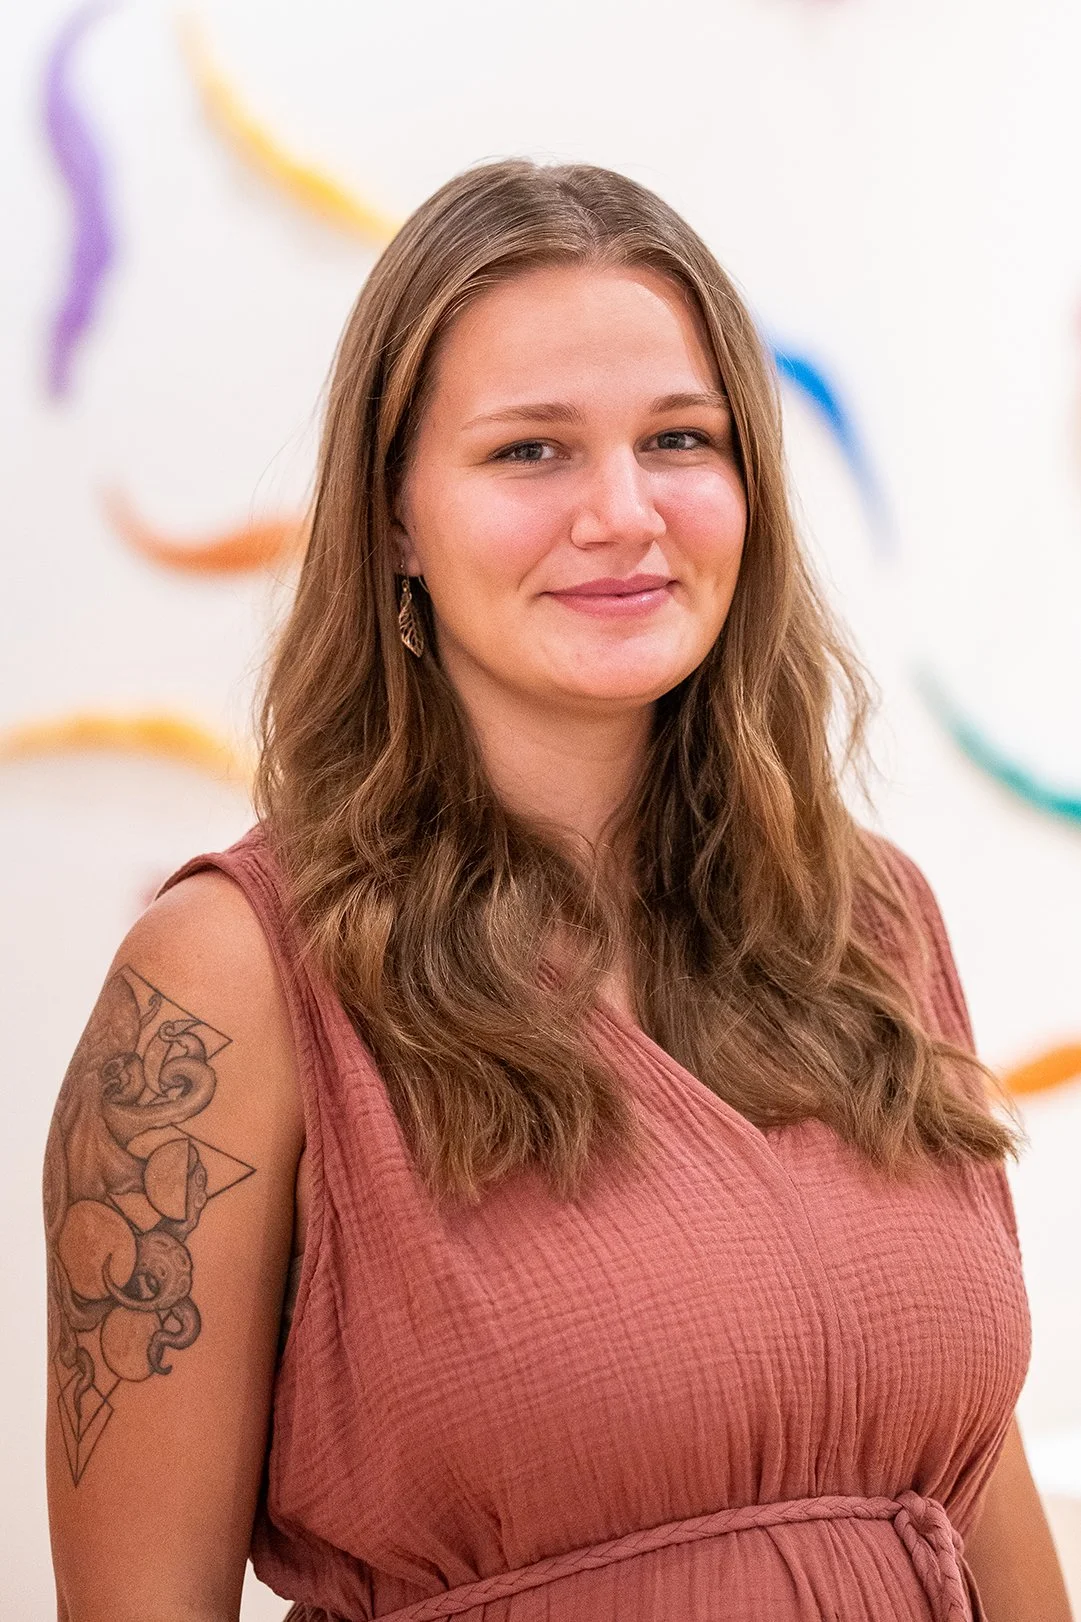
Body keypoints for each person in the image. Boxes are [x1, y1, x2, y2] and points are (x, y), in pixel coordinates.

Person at [42, 159, 1072, 1622]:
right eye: (532, 452)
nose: (624, 512)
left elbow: (961, 1469)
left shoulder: (869, 920)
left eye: (680, 438)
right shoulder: (229, 979)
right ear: (398, 517)